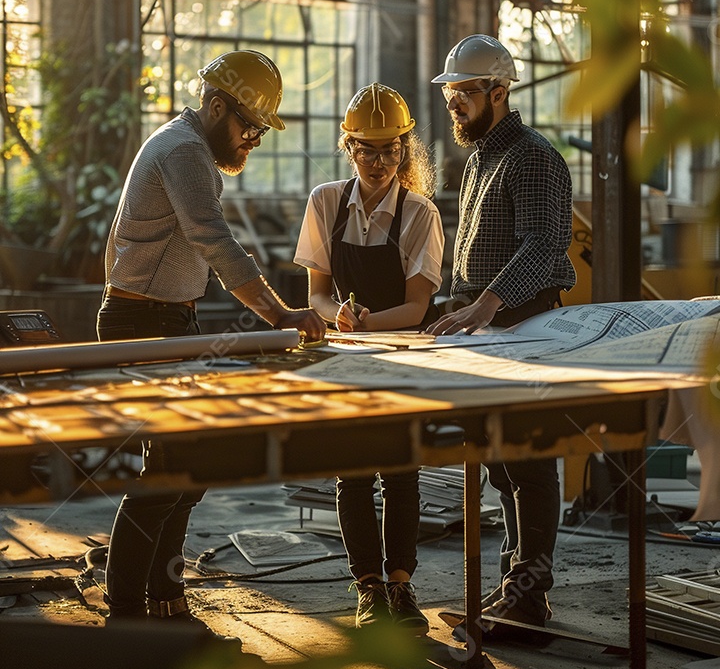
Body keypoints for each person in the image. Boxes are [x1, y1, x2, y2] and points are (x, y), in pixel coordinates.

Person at [97, 50, 325, 631]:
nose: (252, 140)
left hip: (167, 319)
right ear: (217, 105)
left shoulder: (183, 146)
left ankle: (166, 598)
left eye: (259, 131)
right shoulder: (185, 152)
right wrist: (279, 314)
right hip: (145, 324)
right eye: (248, 126)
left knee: (186, 471)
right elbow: (216, 244)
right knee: (166, 476)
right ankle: (126, 615)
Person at [427, 35, 576, 637]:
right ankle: (519, 586)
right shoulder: (483, 155)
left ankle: (530, 594)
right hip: (488, 329)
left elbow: (544, 246)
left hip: (525, 326)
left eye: (465, 92)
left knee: (530, 460)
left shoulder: (533, 157)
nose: (455, 103)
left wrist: (486, 302)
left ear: (500, 90)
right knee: (501, 465)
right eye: (451, 94)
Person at [294, 83, 444, 634]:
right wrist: (338, 317)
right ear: (348, 147)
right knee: (353, 475)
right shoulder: (325, 202)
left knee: (402, 473)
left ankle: (401, 586)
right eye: (367, 149)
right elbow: (315, 293)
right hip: (345, 360)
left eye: (390, 150)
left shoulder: (419, 213)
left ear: (405, 149)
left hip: (403, 357)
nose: (379, 162)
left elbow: (417, 306)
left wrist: (365, 323)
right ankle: (368, 590)